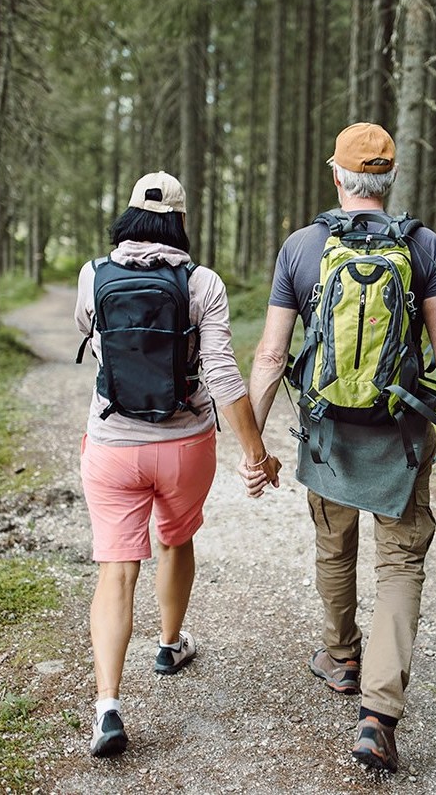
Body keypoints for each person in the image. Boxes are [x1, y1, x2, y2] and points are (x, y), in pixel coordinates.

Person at [240, 123, 436, 773]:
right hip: (401, 436)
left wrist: (252, 443)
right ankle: (378, 716)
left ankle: (340, 655)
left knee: (333, 543)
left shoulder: (302, 246)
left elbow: (270, 355)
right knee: (401, 564)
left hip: (327, 433)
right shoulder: (423, 244)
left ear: (337, 177)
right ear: (390, 178)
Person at [75, 171, 280, 758]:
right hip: (185, 444)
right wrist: (254, 454)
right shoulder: (202, 282)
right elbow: (221, 374)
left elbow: (91, 344)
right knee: (175, 538)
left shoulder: (93, 274)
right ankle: (168, 644)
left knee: (116, 571)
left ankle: (108, 707)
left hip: (111, 443)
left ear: (131, 216)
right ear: (181, 222)